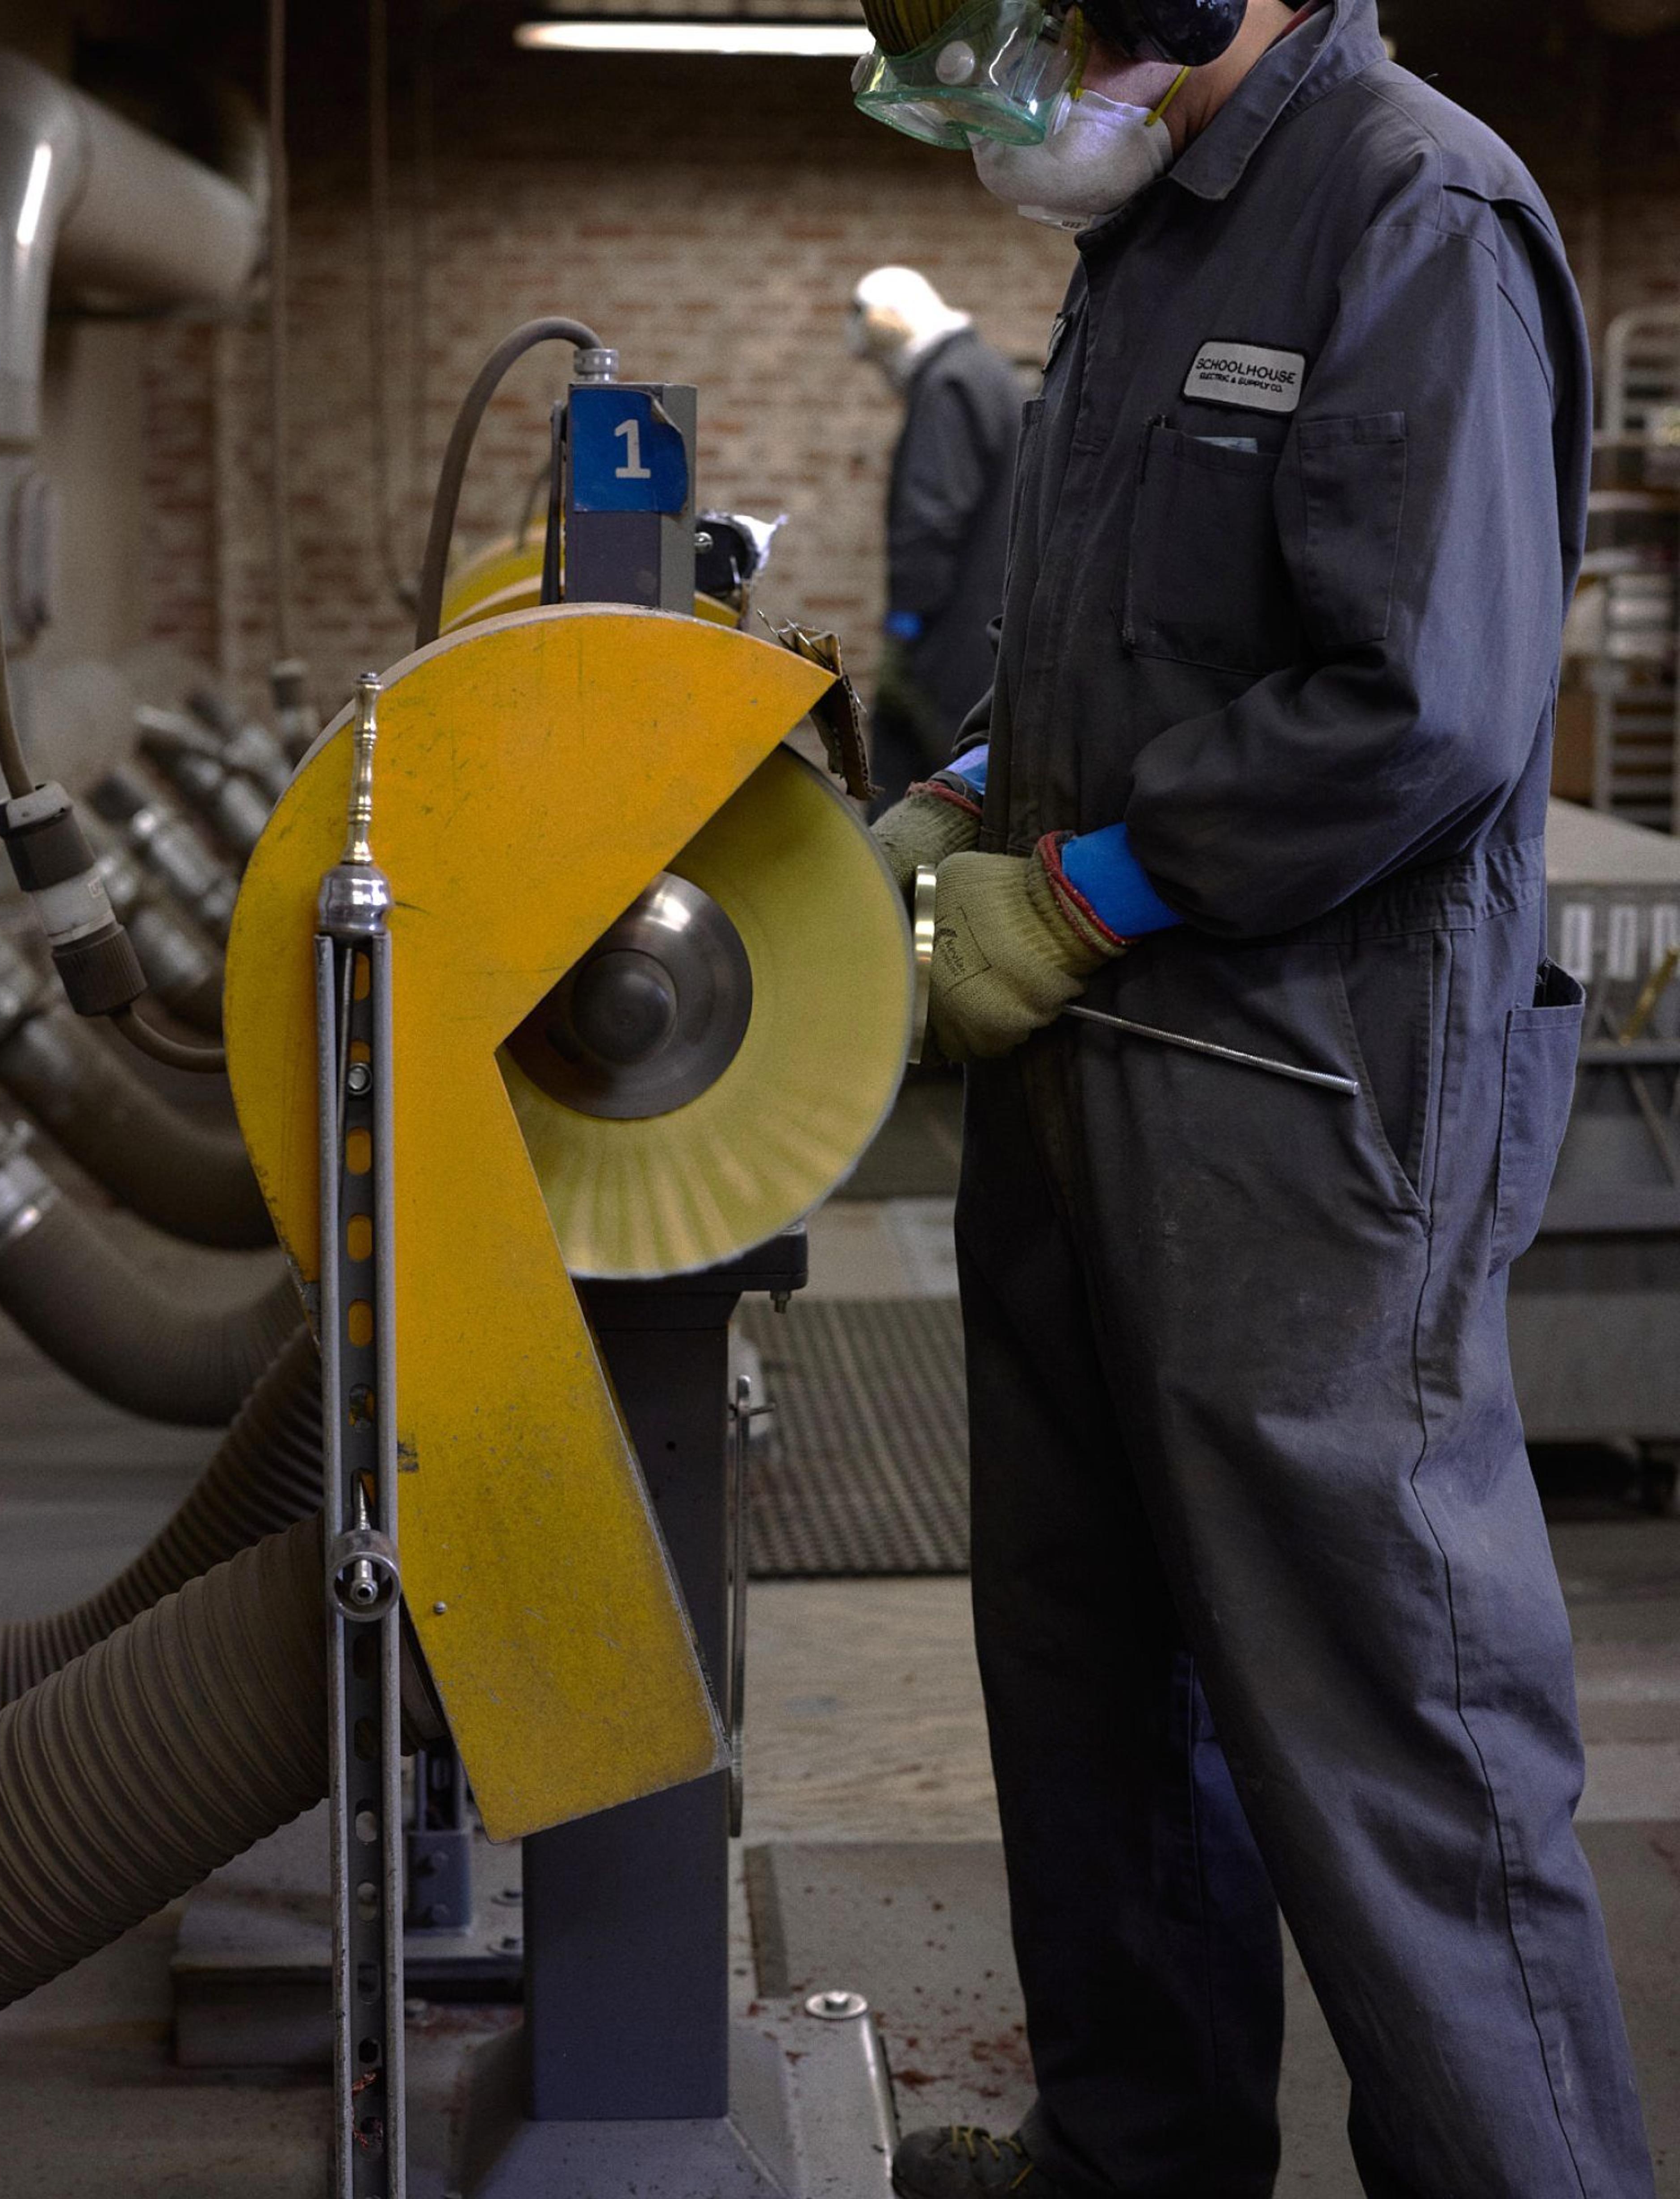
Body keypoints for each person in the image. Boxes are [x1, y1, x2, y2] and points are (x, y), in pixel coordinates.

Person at [855, 2, 1657, 2196]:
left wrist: (1094, 888)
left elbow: (1422, 704)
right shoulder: (1146, 246)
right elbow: (1121, 644)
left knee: (1401, 1754)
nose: (976, 96)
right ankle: (1138, 2158)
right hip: (1088, 1102)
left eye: (986, 30)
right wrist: (969, 796)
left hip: (1309, 1126)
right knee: (1095, 1689)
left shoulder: (1414, 210)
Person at [847, 266, 1026, 815]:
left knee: (915, 794)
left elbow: (931, 517)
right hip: (982, 631)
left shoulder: (950, 382)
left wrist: (909, 615)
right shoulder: (981, 371)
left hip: (951, 640)